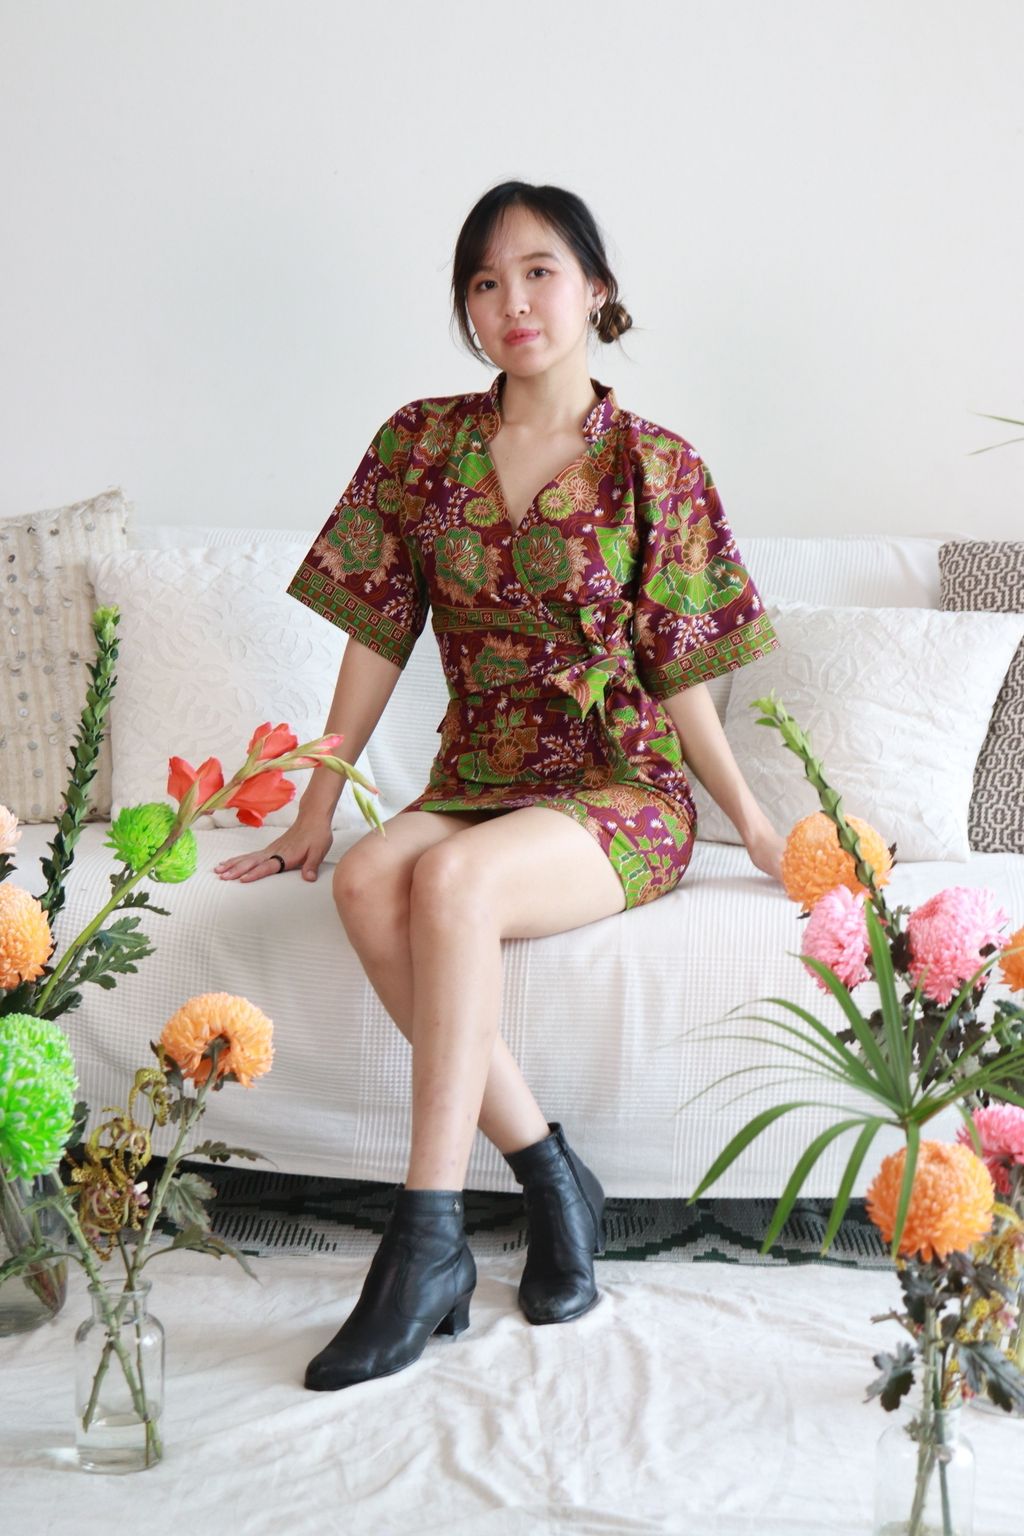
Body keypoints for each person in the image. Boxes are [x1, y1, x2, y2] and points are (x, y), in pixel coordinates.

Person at [213, 180, 785, 1391]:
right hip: (478, 774)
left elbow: (680, 669)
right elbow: (376, 633)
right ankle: (549, 1175)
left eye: (537, 272)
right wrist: (317, 805)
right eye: (484, 281)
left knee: (454, 885)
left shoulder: (657, 464)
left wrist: (751, 821)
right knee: (368, 879)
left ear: (596, 290)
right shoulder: (418, 445)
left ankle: (424, 1241)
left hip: (619, 787)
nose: (511, 301)